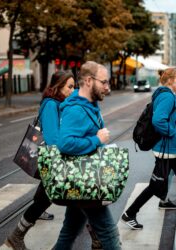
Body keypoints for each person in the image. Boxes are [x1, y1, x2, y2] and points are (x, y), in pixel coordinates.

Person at [121, 67, 176, 230]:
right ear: (170, 81)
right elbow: (158, 120)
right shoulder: (167, 97)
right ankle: (130, 213)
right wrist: (174, 133)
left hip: (173, 150)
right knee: (157, 185)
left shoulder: (168, 96)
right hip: (169, 150)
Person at [5, 70, 75, 250]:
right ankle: (16, 236)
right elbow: (52, 139)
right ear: (58, 86)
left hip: (54, 162)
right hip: (53, 161)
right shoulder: (51, 105)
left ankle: (16, 236)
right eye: (70, 87)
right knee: (64, 199)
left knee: (47, 200)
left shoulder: (58, 103)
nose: (72, 90)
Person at [54, 61, 121, 250]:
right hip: (87, 180)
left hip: (82, 180)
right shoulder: (76, 109)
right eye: (104, 82)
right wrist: (97, 140)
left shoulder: (89, 105)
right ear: (89, 81)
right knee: (109, 234)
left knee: (69, 232)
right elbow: (65, 143)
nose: (108, 87)